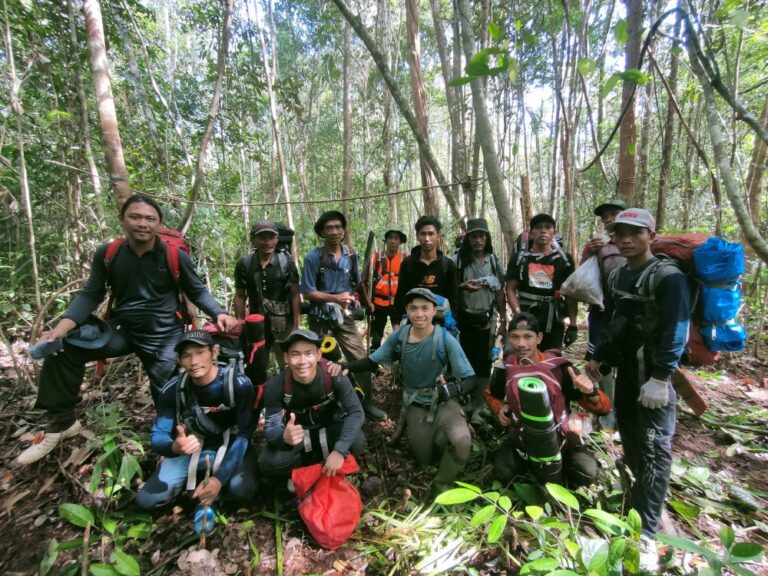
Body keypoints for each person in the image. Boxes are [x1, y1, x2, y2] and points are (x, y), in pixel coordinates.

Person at [16, 194, 238, 466]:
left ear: (159, 224)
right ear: (122, 220)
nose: (142, 224)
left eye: (150, 219)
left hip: (164, 335)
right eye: (135, 217)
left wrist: (220, 313)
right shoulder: (109, 254)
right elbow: (91, 294)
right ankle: (61, 423)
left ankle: (173, 447)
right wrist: (61, 328)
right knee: (64, 347)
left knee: (169, 393)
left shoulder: (174, 255)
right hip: (121, 330)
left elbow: (197, 290)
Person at [586, 208, 690, 569]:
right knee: (632, 442)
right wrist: (599, 357)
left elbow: (678, 330)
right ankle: (634, 509)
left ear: (651, 234)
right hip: (629, 376)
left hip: (654, 381)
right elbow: (616, 321)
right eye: (620, 233)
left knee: (656, 451)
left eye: (635, 232)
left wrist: (662, 378)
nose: (626, 239)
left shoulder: (667, 277)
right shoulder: (618, 276)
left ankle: (647, 532)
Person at [341, 288, 476, 494]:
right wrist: (346, 367)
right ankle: (436, 438)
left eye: (425, 308)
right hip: (416, 405)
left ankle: (442, 485)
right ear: (407, 310)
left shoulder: (445, 339)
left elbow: (471, 379)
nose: (419, 314)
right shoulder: (400, 337)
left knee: (462, 442)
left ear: (434, 311)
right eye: (414, 308)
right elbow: (372, 361)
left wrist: (452, 390)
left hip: (444, 403)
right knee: (424, 458)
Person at [136, 330, 257, 532]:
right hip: (192, 445)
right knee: (147, 501)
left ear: (214, 353)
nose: (194, 361)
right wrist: (173, 446)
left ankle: (211, 492)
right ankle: (198, 490)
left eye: (200, 352)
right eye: (186, 356)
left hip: (230, 443)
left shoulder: (238, 384)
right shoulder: (173, 390)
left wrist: (219, 479)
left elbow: (245, 433)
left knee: (243, 490)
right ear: (180, 361)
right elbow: (158, 435)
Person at [486, 313, 611, 487]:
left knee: (586, 472)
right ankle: (533, 467)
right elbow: (491, 395)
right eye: (515, 337)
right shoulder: (505, 367)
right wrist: (499, 408)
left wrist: (590, 391)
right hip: (522, 438)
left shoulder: (559, 367)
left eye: (528, 337)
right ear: (509, 338)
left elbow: (604, 407)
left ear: (539, 338)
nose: (521, 344)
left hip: (561, 438)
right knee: (503, 471)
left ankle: (556, 470)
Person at [299, 211, 387, 420]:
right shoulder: (314, 257)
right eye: (329, 228)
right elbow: (307, 291)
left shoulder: (350, 254)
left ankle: (366, 403)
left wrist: (367, 302)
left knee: (359, 359)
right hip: (320, 319)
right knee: (317, 362)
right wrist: (334, 298)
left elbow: (357, 282)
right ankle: (319, 406)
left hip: (345, 318)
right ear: (322, 232)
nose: (335, 232)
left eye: (338, 227)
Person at [258, 329, 366, 481]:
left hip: (330, 427)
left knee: (357, 442)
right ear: (286, 357)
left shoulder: (334, 376)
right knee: (268, 464)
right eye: (295, 354)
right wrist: (283, 438)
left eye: (309, 353)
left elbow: (356, 412)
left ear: (318, 355)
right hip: (300, 433)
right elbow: (271, 425)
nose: (303, 361)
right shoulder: (277, 386)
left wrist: (340, 450)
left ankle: (327, 464)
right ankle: (308, 473)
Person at [579, 199, 627, 430]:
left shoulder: (635, 241)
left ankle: (626, 407)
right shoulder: (595, 244)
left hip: (629, 313)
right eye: (605, 215)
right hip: (600, 311)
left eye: (614, 213)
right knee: (599, 358)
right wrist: (594, 250)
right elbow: (583, 275)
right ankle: (607, 408)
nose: (608, 218)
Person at [454, 218, 506, 423]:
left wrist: (503, 319)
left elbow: (500, 291)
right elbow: (450, 289)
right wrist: (462, 287)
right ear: (467, 238)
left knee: (485, 363)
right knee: (464, 362)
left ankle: (479, 404)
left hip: (488, 319)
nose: (477, 240)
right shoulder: (457, 261)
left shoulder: (493, 260)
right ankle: (464, 401)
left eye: (481, 236)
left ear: (487, 238)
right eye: (473, 236)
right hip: (465, 320)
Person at [504, 213, 577, 351]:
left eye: (548, 227)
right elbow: (510, 289)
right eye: (538, 227)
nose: (543, 231)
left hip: (553, 319)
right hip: (526, 315)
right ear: (531, 234)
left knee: (551, 362)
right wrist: (518, 314)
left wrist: (573, 326)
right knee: (522, 358)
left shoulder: (564, 260)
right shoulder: (519, 259)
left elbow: (570, 294)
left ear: (554, 233)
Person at [233, 219, 300, 368]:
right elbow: (240, 295)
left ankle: (287, 388)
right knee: (256, 362)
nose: (267, 242)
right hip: (256, 322)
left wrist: (295, 325)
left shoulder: (286, 263)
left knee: (287, 362)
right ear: (253, 239)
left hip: (283, 323)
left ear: (277, 239)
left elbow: (295, 294)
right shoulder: (245, 264)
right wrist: (240, 321)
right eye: (262, 237)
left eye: (271, 237)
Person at [393, 216, 459, 323]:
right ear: (417, 236)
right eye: (423, 234)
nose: (427, 239)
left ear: (438, 236)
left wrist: (452, 323)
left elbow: (454, 300)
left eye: (431, 234)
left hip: (440, 323)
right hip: (414, 322)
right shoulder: (408, 264)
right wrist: (396, 322)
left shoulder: (448, 265)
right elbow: (401, 295)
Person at [366, 225, 407, 352]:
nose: (393, 241)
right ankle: (373, 366)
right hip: (378, 303)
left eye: (396, 238)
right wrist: (367, 302)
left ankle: (398, 362)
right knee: (376, 337)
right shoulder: (376, 257)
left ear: (400, 241)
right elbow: (365, 280)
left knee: (399, 334)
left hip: (398, 303)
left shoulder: (405, 259)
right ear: (386, 240)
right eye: (390, 238)